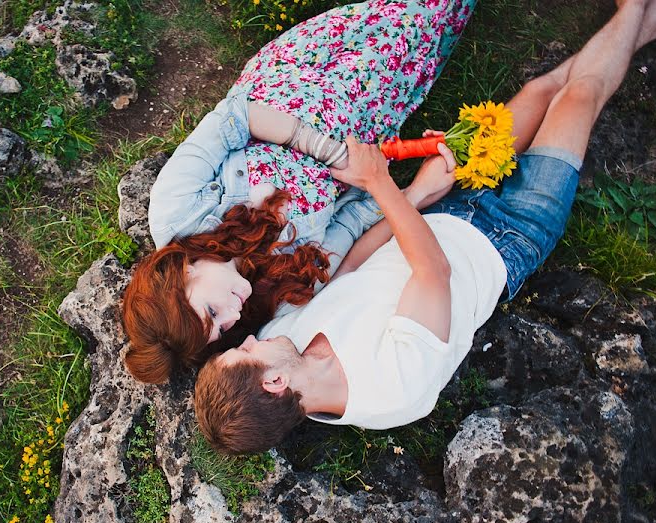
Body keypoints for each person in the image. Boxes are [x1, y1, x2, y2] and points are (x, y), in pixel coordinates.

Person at [194, 0, 656, 454]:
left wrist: (419, 194)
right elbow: (432, 272)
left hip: (437, 210)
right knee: (579, 96)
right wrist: (380, 184)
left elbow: (352, 264)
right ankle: (636, 12)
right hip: (508, 235)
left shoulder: (288, 338)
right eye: (246, 351)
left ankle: (641, 17)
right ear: (275, 383)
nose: (249, 337)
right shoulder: (391, 390)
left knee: (542, 92)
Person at [122, 0, 477, 384]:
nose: (232, 318)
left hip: (297, 71)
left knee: (412, 14)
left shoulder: (176, 210)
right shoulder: (273, 299)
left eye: (212, 311)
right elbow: (352, 221)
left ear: (182, 274)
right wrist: (413, 188)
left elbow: (235, 116)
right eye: (221, 331)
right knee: (437, 28)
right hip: (368, 113)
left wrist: (330, 151)